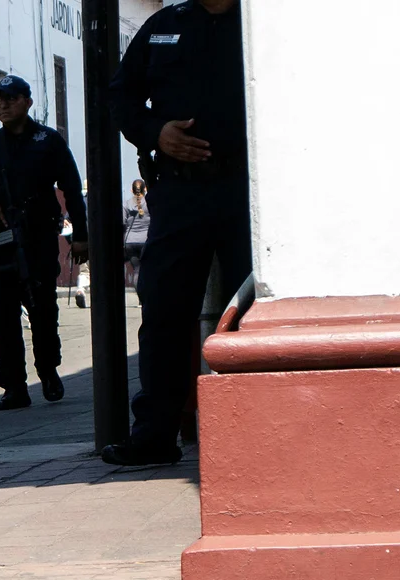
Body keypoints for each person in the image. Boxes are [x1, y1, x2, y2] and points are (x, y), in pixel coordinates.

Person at [102, 0, 253, 466]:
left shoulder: (256, 22)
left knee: (251, 310)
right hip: (179, 195)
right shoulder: (164, 26)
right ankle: (154, 434)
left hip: (247, 194)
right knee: (165, 309)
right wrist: (155, 132)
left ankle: (254, 427)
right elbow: (120, 97)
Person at [0, 74, 89, 411]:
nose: (2, 104)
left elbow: (72, 188)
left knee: (43, 308)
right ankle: (14, 385)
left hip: (39, 237)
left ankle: (48, 371)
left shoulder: (47, 141)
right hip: (1, 240)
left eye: (11, 98)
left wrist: (82, 237)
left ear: (27, 102)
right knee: (2, 314)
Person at [123, 179, 150, 287]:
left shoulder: (126, 204)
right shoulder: (149, 203)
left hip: (130, 241)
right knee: (147, 269)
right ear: (145, 189)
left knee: (137, 269)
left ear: (131, 190)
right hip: (146, 240)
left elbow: (122, 222)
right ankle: (145, 298)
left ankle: (140, 295)